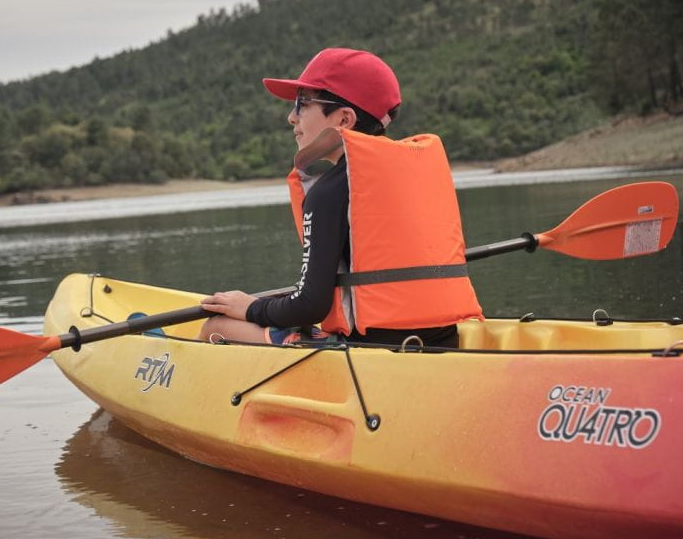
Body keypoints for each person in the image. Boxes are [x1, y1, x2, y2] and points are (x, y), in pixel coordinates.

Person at [199, 48, 482, 348]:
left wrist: (251, 307)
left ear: (344, 119)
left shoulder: (328, 192)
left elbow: (310, 305)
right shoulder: (415, 176)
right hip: (443, 342)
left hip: (369, 352)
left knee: (216, 326)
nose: (291, 117)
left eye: (302, 103)